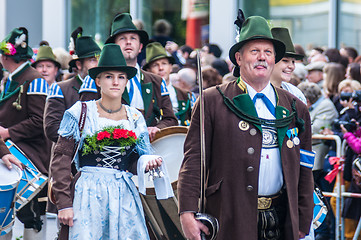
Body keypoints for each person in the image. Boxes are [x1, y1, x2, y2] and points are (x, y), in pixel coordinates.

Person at [178, 15, 314, 240]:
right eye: (254, 51)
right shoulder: (212, 100)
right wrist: (187, 213)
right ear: (239, 58)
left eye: (268, 52)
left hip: (281, 218)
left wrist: (303, 217)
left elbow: (305, 167)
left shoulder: (295, 107)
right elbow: (193, 162)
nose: (262, 57)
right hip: (229, 216)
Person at [51, 43, 171, 240]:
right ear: (98, 81)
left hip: (123, 196)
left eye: (121, 77)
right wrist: (64, 203)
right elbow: (61, 159)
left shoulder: (134, 117)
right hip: (86, 194)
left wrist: (146, 163)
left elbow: (135, 162)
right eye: (109, 76)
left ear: (126, 82)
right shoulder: (80, 113)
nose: (115, 82)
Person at [80, 13, 177, 141]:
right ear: (113, 46)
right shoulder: (94, 79)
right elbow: (85, 120)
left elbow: (170, 119)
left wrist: (157, 128)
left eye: (133, 38)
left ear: (141, 47)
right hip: (110, 150)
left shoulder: (156, 81)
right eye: (122, 38)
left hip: (150, 152)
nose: (128, 42)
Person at [0, 27, 51, 239]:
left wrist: (7, 132)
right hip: (10, 151)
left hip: (31, 156)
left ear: (5, 57)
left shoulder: (35, 79)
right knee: (4, 213)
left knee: (30, 216)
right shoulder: (10, 79)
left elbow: (40, 122)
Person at [44, 30, 101, 144]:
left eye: (100, 59)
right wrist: (86, 141)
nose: (98, 64)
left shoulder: (107, 87)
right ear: (79, 64)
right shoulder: (60, 88)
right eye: (92, 60)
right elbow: (52, 128)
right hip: (69, 157)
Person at [143, 42, 194, 126]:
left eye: (164, 63)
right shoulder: (145, 95)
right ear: (148, 70)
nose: (161, 68)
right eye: (155, 65)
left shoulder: (187, 95)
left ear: (170, 67)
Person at [270, 27, 307, 105]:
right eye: (285, 61)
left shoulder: (295, 93)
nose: (291, 66)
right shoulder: (255, 92)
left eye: (293, 62)